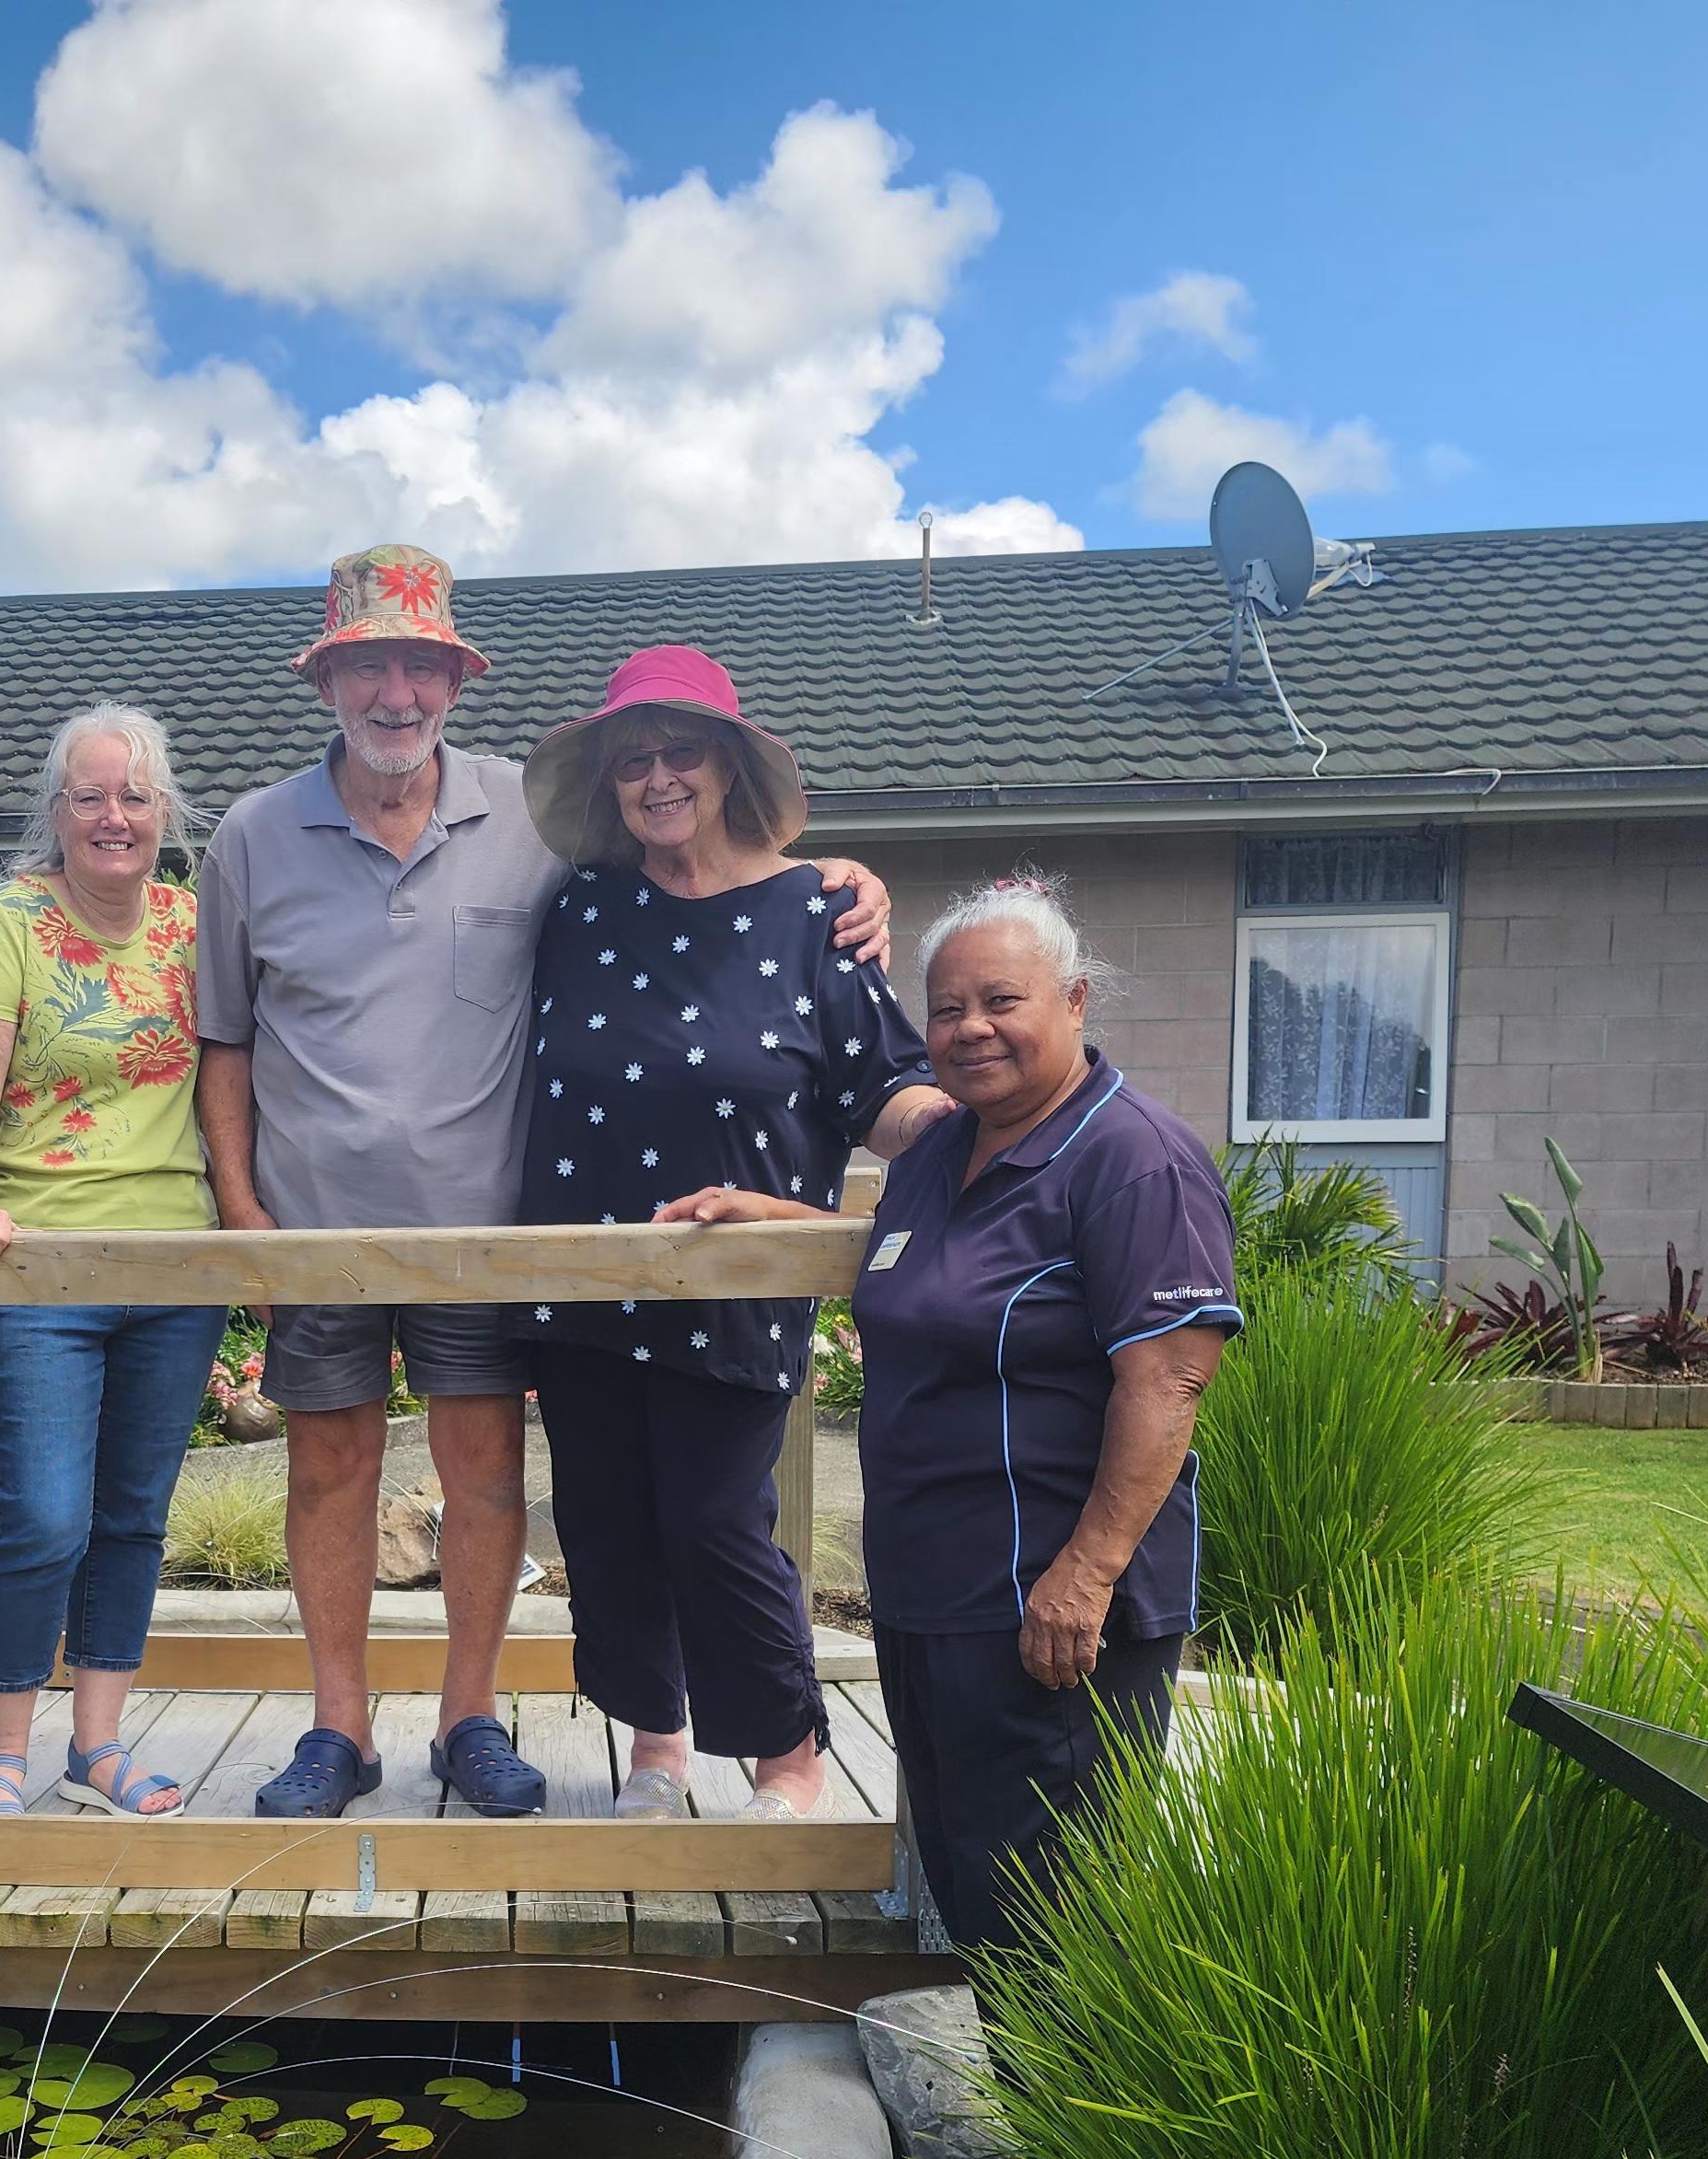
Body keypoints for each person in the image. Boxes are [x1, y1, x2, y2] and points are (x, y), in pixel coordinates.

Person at [196, 544, 895, 1821]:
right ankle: (338, 1730)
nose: (394, 693)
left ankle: (471, 1720)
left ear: (456, 680)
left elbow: (723, 890)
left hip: (495, 1237)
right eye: (367, 666)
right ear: (328, 682)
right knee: (331, 1476)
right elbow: (226, 1041)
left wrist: (842, 881)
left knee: (490, 1479)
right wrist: (245, 1219)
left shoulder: (531, 820)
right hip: (318, 1233)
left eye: (420, 664)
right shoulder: (253, 835)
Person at [511, 645, 958, 1819]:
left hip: (735, 1277)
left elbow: (886, 1087)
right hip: (579, 1273)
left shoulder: (815, 912)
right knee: (604, 1523)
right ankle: (653, 1751)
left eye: (682, 753)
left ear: (727, 768)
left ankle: (786, 1760)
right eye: (632, 761)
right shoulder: (578, 905)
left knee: (717, 1525)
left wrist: (977, 1126)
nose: (657, 779)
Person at [848, 873, 1243, 1953]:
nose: (970, 1029)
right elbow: (923, 1281)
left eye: (1001, 1001)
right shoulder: (939, 1152)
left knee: (1055, 1922)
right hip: (934, 1601)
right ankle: (1022, 2120)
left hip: (1050, 1617)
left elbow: (1169, 1380)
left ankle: (1079, 2124)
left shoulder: (1132, 1160)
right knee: (978, 1903)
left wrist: (1084, 1577)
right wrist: (769, 1216)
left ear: (1073, 1002)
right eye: (945, 1009)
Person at [0, 704, 219, 1818]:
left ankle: (96, 1747)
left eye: (135, 797)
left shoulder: (197, 923)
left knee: (132, 1512)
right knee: (43, 1511)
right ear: (56, 810)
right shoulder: (12, 919)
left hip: (175, 1269)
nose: (113, 816)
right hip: (34, 1269)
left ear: (164, 814)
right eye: (90, 795)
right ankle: (0, 1747)